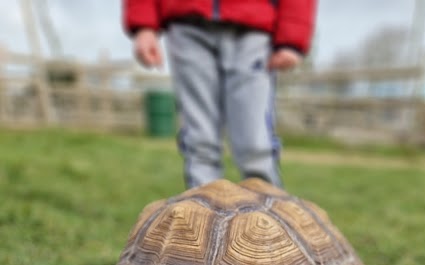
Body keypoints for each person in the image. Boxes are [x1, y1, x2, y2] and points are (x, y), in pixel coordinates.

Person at [123, 0, 317, 187]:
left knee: (255, 146)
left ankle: (271, 214)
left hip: (253, 28)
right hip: (186, 25)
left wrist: (293, 35)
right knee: (200, 144)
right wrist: (143, 25)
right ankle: (199, 217)